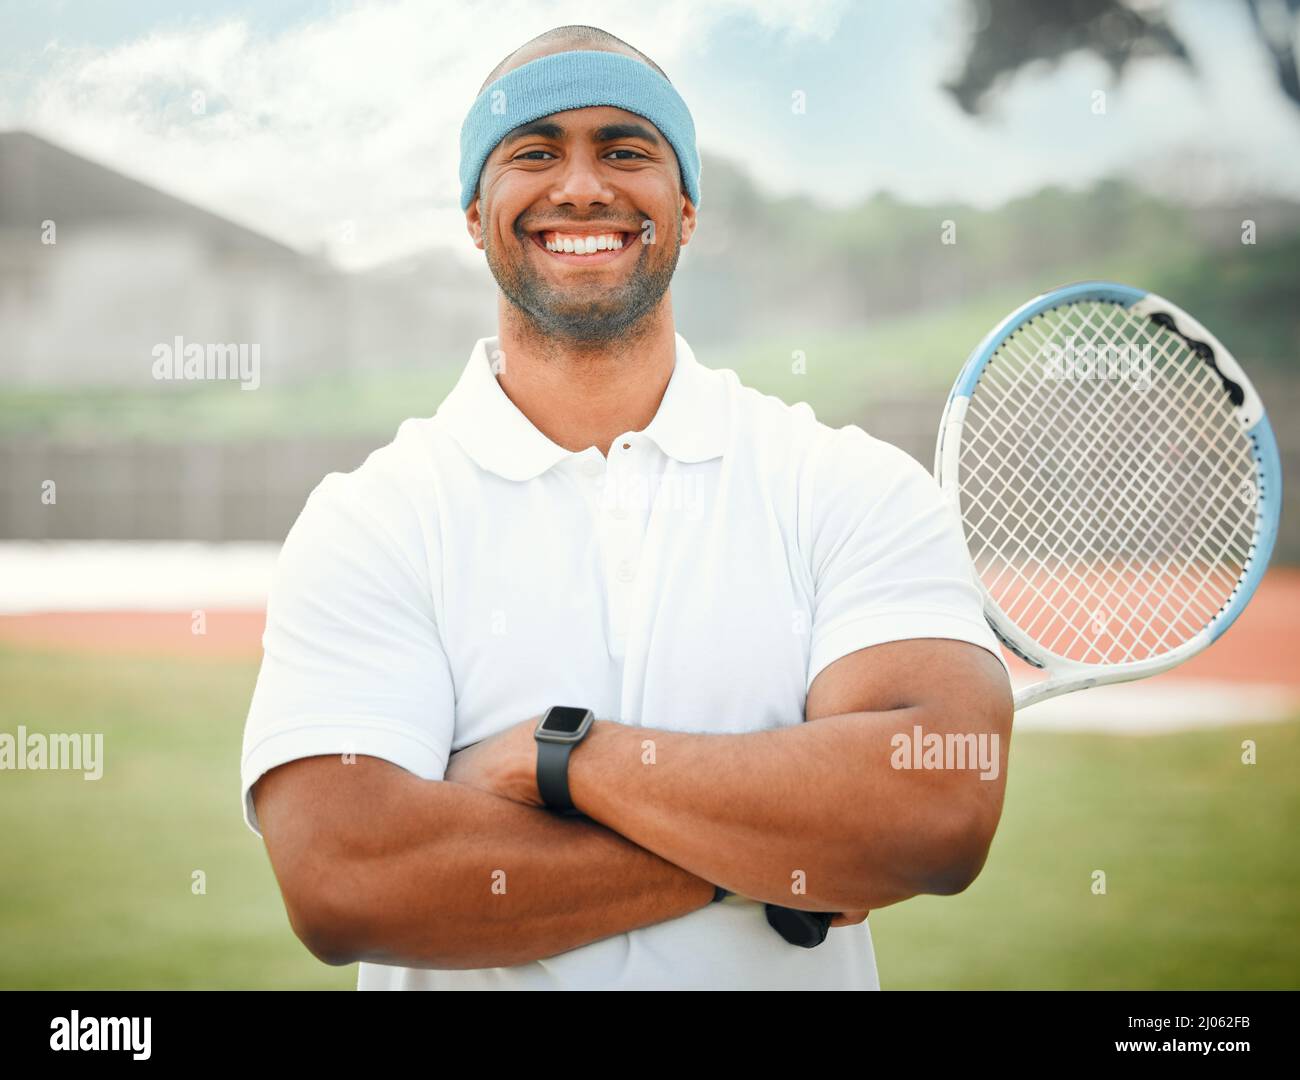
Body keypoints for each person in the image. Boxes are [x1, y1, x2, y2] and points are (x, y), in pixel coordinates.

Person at [240, 23, 1013, 990]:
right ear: (475, 216)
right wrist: (771, 852)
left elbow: (937, 809)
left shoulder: (844, 485)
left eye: (624, 150)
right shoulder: (370, 521)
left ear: (685, 209)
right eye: (533, 152)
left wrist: (559, 760)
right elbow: (347, 881)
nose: (580, 186)